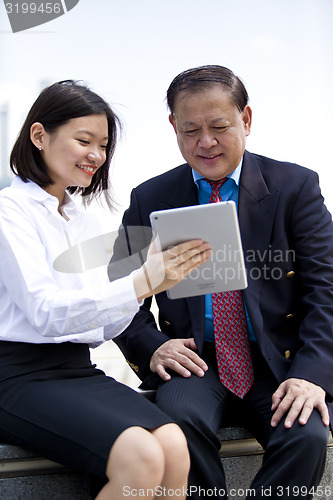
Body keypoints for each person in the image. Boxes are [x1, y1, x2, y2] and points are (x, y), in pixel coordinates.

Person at [108, 65, 333, 499]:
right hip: (195, 360)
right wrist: (152, 345)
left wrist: (311, 375)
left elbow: (326, 289)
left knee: (305, 434)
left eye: (219, 126)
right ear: (173, 127)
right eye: (190, 129)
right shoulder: (148, 198)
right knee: (177, 425)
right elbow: (120, 294)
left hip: (279, 360)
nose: (205, 142)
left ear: (246, 120)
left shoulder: (295, 187)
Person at [0, 80, 213, 500]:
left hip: (76, 369)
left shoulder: (80, 216)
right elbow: (44, 313)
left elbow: (101, 326)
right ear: (39, 136)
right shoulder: (10, 211)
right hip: (18, 375)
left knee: (174, 446)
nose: (96, 156)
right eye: (85, 141)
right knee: (142, 458)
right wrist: (141, 282)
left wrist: (148, 283)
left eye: (103, 145)